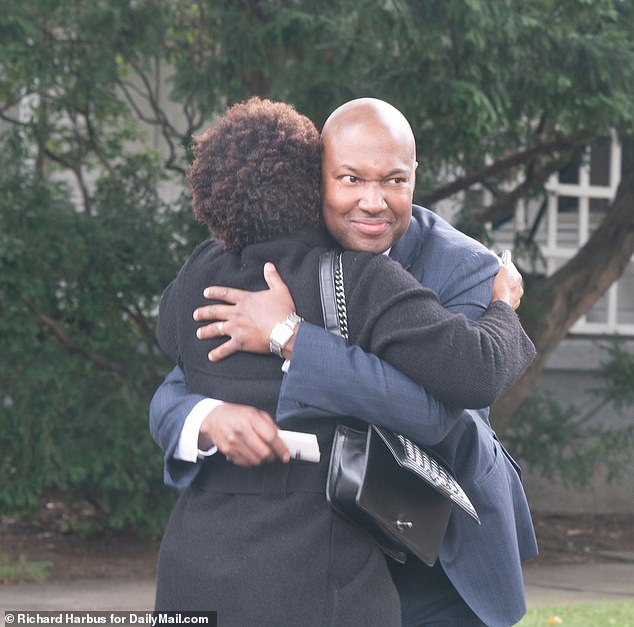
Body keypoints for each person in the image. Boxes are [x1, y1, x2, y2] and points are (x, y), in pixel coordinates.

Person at [151, 98, 539, 626]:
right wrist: (207, 418)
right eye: (351, 179)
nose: (373, 202)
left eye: (394, 181)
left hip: (440, 543)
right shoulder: (264, 256)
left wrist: (290, 337)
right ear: (317, 179)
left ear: (414, 177)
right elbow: (182, 383)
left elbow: (442, 411)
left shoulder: (465, 267)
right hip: (323, 544)